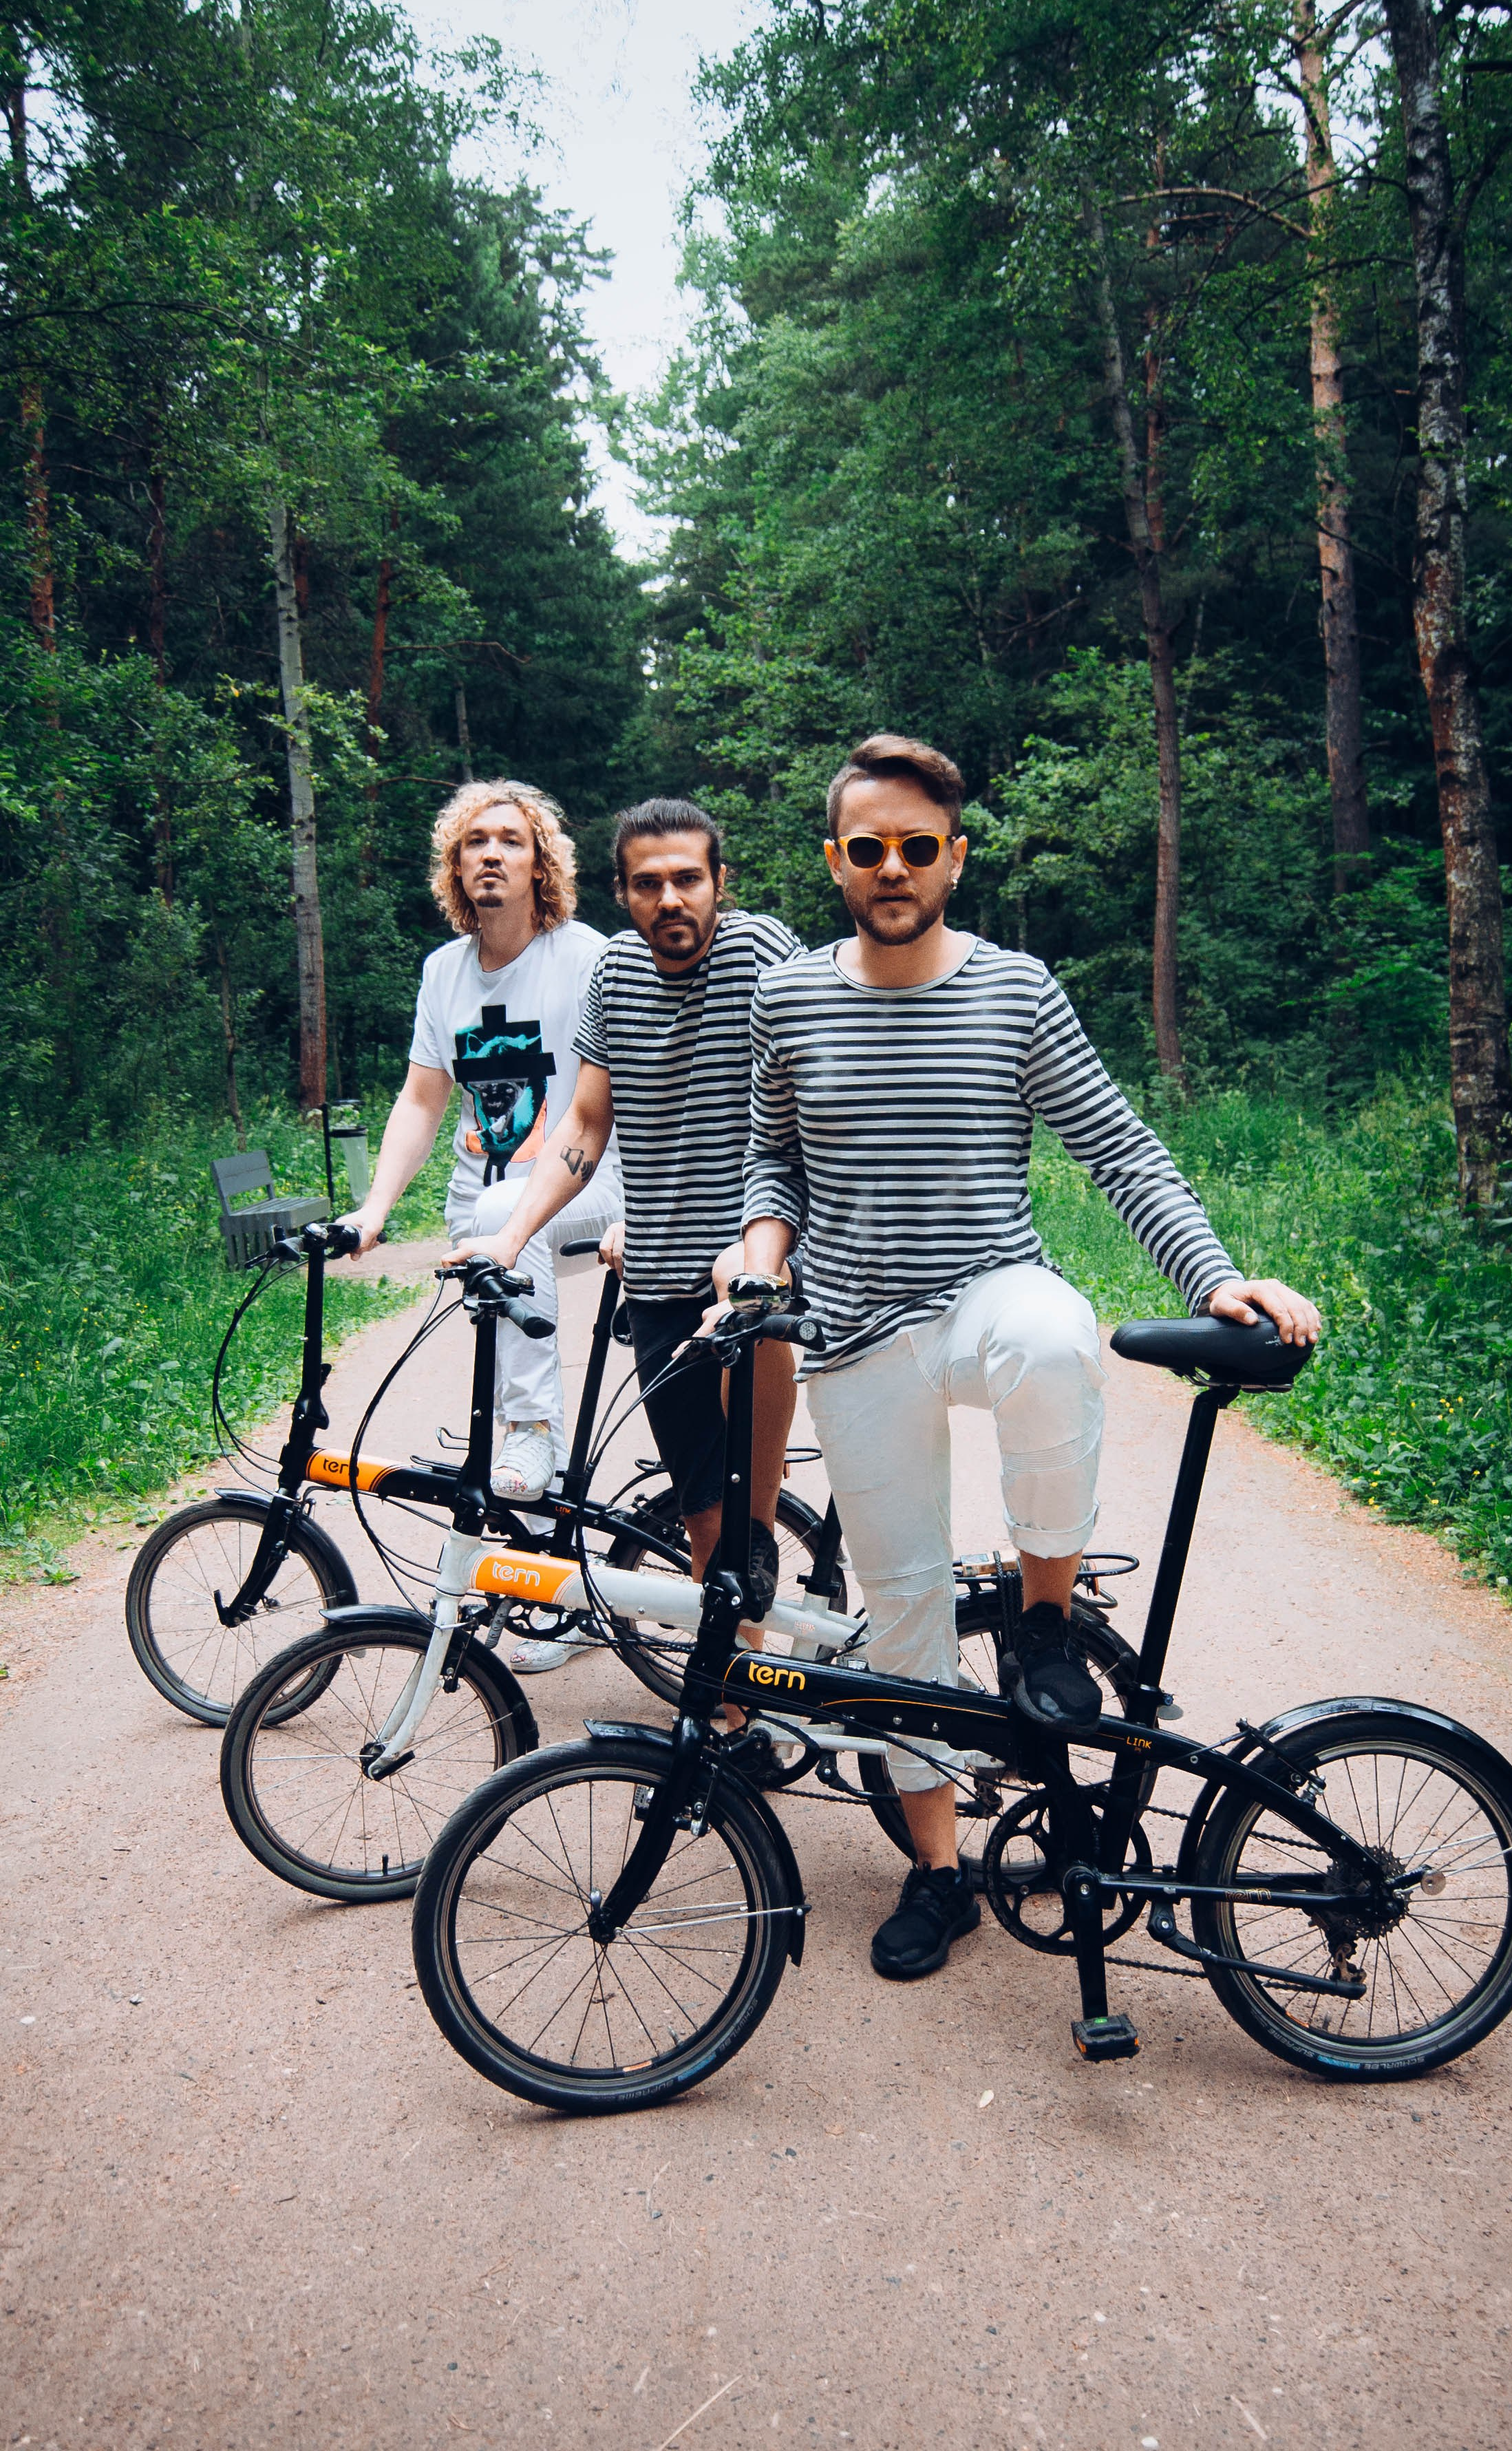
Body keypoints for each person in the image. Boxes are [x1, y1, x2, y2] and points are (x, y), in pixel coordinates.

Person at [738, 732, 1322, 1982]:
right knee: (896, 1613)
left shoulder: (1015, 988)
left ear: (951, 855)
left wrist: (1214, 1279)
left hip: (982, 1291)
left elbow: (1115, 1148)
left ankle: (1045, 1625)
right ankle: (938, 1870)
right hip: (851, 1328)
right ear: (831, 860)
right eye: (865, 847)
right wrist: (758, 1246)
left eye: (914, 846)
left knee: (1057, 1335)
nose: (889, 868)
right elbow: (771, 1158)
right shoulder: (784, 996)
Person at [447, 795, 801, 1647]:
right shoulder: (613, 976)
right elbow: (584, 1124)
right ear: (621, 892)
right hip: (657, 1270)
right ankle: (731, 1713)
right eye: (649, 884)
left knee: (747, 1324)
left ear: (722, 880)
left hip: (759, 1245)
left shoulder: (763, 950)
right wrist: (513, 1231)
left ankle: (762, 1529)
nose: (670, 900)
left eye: (688, 879)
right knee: (699, 1517)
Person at [350, 780, 620, 1635]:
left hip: (585, 1185)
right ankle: (542, 1591)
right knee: (495, 1418)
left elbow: (633, 1090)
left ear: (541, 863)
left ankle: (536, 1429)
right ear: (456, 868)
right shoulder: (444, 973)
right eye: (475, 842)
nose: (491, 854)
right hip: (487, 1208)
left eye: (510, 840)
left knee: (521, 1414)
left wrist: (640, 1208)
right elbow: (422, 1102)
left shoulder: (583, 955)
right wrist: (375, 1208)